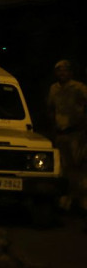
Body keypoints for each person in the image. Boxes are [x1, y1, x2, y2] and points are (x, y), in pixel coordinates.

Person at [47, 60, 87, 208]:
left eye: (65, 70)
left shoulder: (78, 88)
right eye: (59, 70)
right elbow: (50, 108)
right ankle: (66, 200)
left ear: (70, 72)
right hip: (60, 133)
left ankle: (81, 201)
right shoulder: (54, 89)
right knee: (63, 167)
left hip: (76, 133)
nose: (62, 73)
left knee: (78, 167)